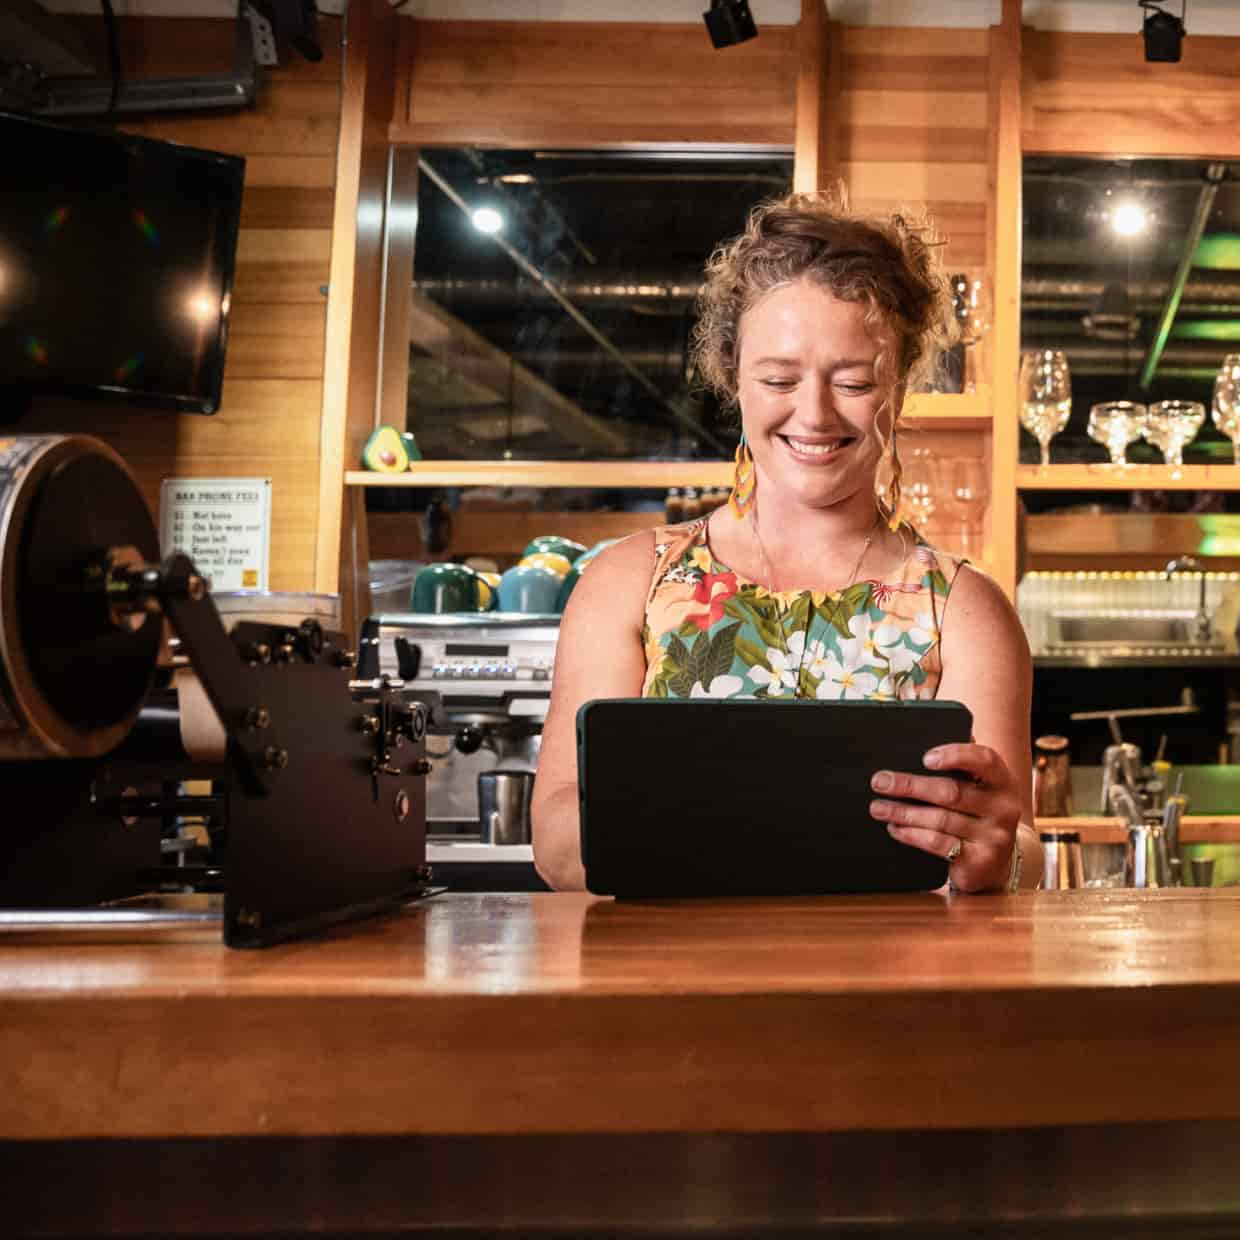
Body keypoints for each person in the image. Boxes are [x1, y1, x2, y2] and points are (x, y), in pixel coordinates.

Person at [532, 190, 1040, 894]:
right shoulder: (628, 581)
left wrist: (998, 853)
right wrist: (742, 818)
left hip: (896, 994)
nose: (815, 413)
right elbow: (555, 843)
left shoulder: (965, 608)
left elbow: (1016, 844)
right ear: (732, 378)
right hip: (661, 992)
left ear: (899, 386)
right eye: (778, 378)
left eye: (855, 382)